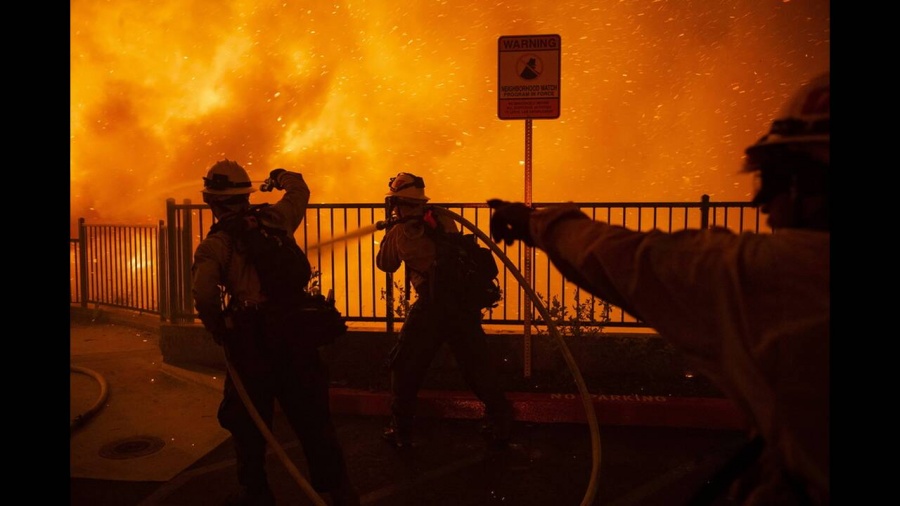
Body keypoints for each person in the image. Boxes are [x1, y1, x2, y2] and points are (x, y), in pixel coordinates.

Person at [487, 71, 830, 506]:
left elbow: (638, 261)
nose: (758, 203)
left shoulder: (784, 275)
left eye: (774, 181)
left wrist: (536, 223)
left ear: (813, 186)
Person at [191, 160, 359, 506]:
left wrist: (219, 328)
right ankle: (340, 492)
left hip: (252, 345)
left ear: (212, 200)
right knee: (314, 421)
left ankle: (256, 495)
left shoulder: (217, 244)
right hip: (297, 337)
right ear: (245, 195)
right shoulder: (276, 219)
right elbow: (300, 189)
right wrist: (278, 177)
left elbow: (204, 293)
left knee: (248, 425)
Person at [376, 172, 514, 449]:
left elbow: (386, 264)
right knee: (476, 365)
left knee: (405, 365)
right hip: (462, 305)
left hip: (433, 307)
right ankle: (501, 421)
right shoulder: (443, 219)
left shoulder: (401, 233)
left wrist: (392, 232)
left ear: (398, 202)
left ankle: (401, 428)